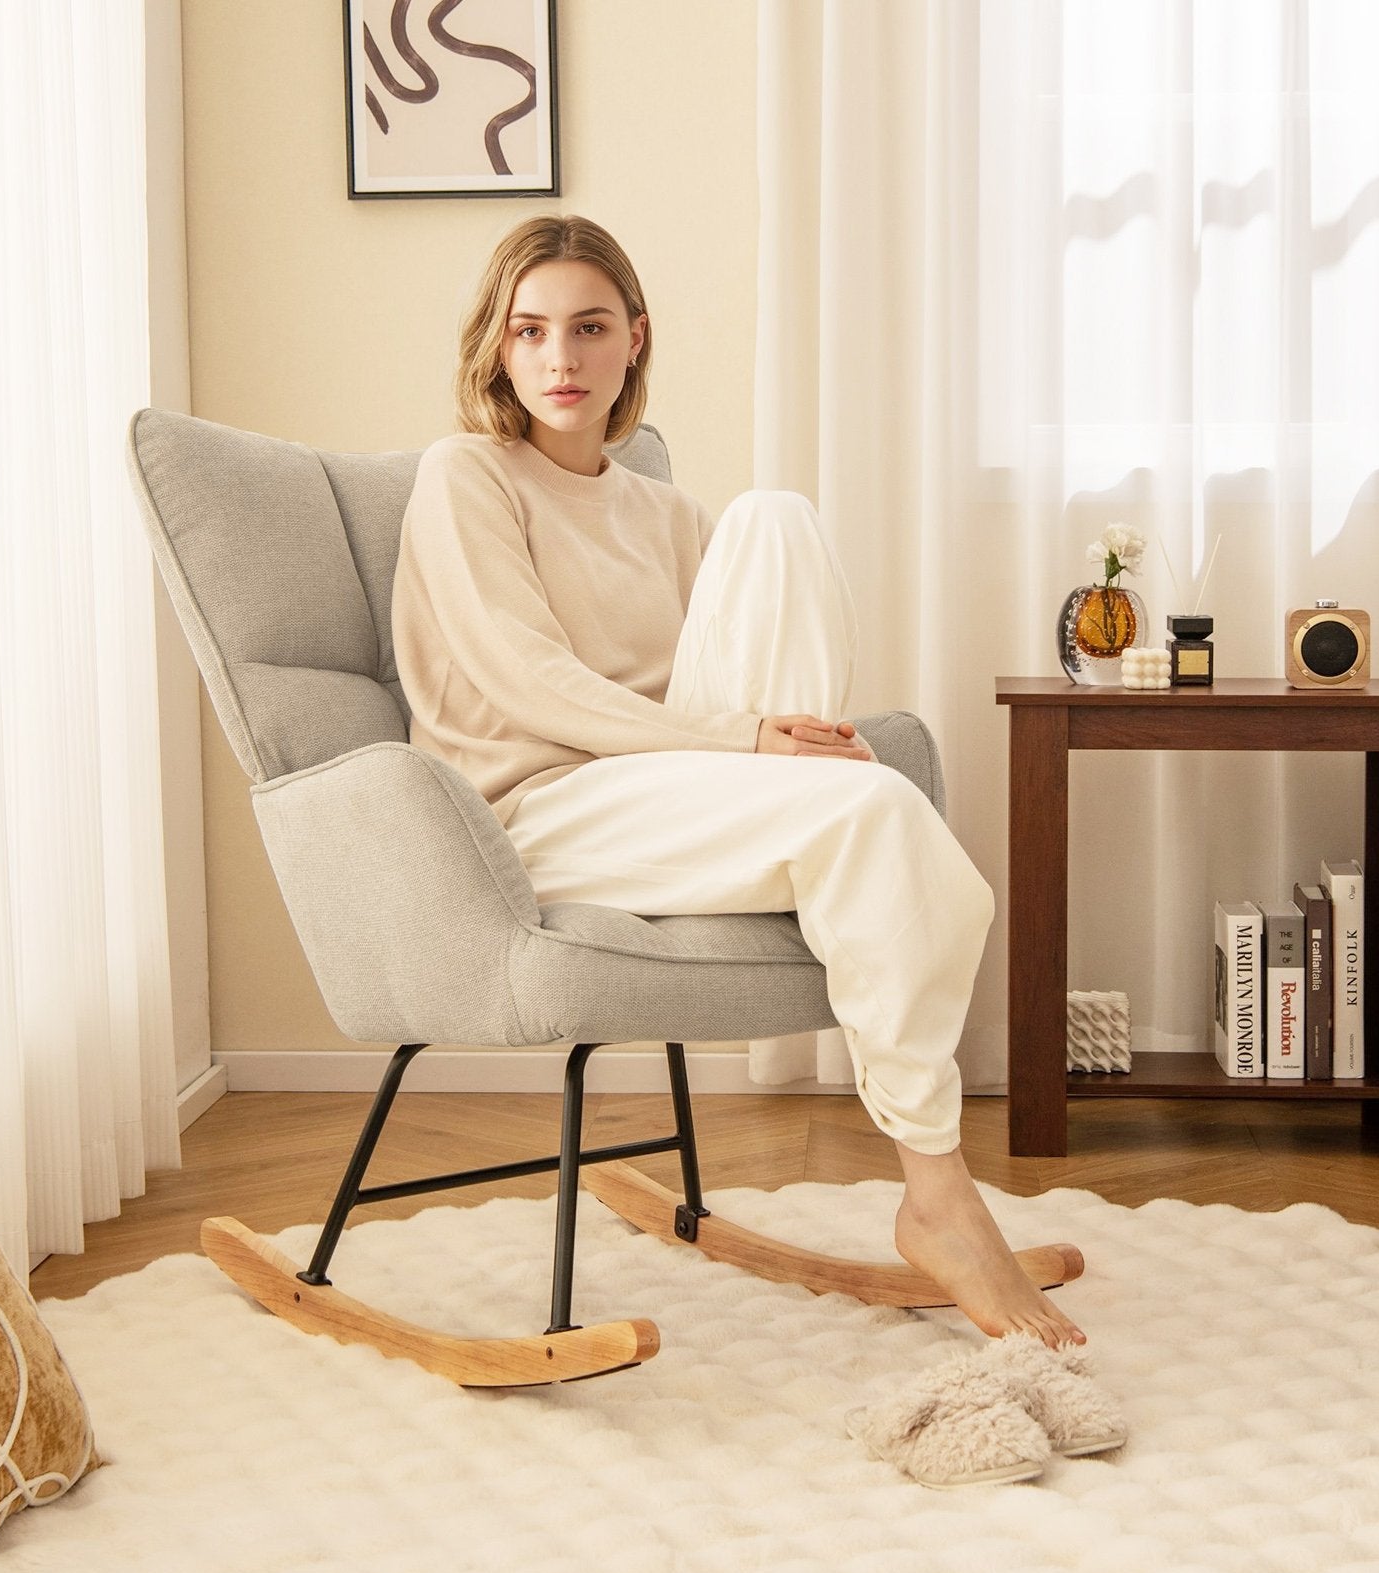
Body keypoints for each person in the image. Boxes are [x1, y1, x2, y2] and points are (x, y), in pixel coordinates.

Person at [391, 214, 1084, 1350]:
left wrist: (765, 743)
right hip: (536, 808)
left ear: (633, 342)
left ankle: (807, 822)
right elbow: (526, 682)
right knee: (873, 818)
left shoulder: (666, 512)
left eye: (588, 327)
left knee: (775, 520)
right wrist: (747, 744)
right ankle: (941, 1195)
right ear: (499, 349)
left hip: (667, 788)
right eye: (530, 332)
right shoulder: (465, 475)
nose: (559, 359)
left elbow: (698, 689)